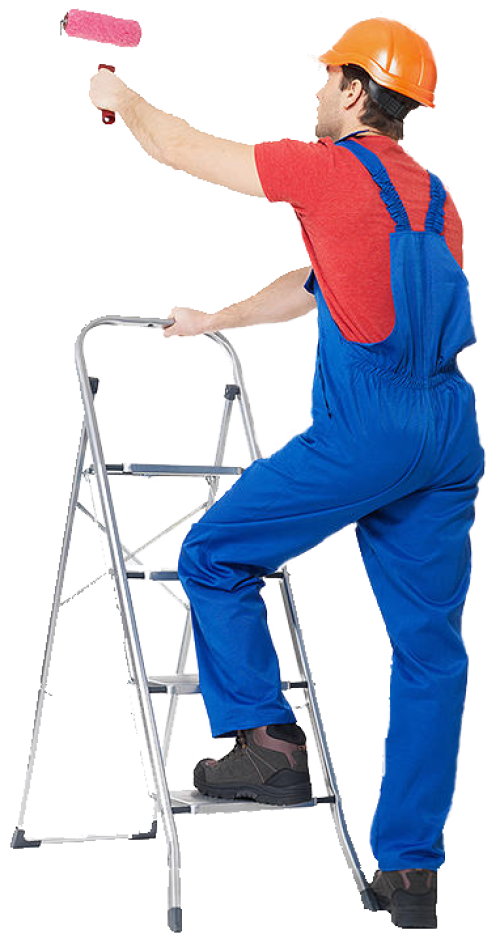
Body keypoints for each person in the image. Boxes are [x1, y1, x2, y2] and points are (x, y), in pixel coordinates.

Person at [89, 17, 485, 928]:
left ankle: (267, 746)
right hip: (450, 434)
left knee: (213, 552)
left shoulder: (327, 168)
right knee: (432, 655)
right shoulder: (436, 198)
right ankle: (412, 877)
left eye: (325, 78)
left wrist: (121, 98)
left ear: (355, 90)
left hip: (373, 427)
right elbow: (319, 286)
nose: (315, 93)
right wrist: (215, 320)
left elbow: (184, 150)